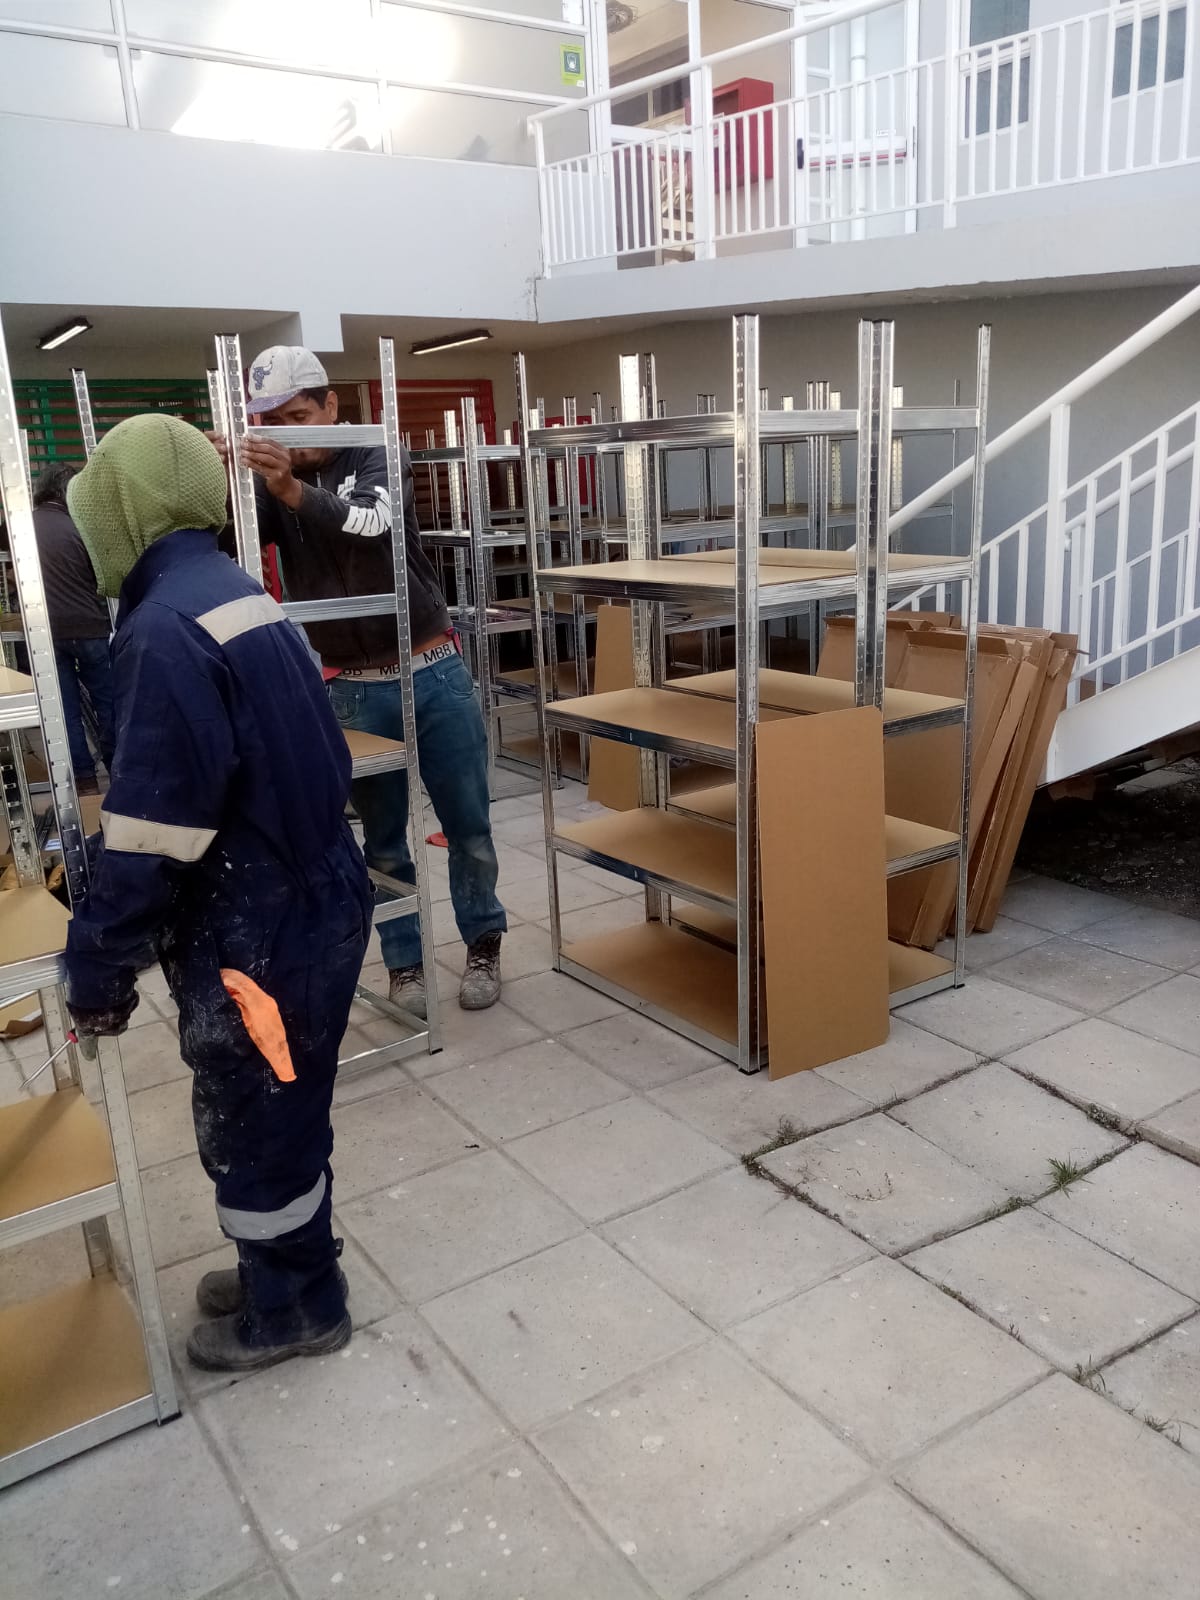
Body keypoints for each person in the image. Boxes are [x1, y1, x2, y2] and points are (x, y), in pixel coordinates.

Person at [63, 413, 372, 1374]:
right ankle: (283, 1266)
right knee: (284, 1104)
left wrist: (96, 963)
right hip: (307, 894)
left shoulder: (163, 628)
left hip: (261, 926)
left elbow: (156, 828)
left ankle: (295, 1308)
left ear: (123, 512)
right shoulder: (229, 588)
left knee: (258, 1117)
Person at [229, 345, 505, 1017]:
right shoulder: (273, 480)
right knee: (381, 841)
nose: (289, 435)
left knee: (468, 826)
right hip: (352, 685)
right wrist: (221, 478)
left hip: (432, 670)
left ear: (332, 406)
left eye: (300, 417)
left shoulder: (375, 452)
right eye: (274, 424)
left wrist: (290, 490)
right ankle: (405, 966)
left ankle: (483, 944)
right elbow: (229, 539)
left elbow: (371, 521)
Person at [31, 461, 115, 795]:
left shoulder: (24, 527)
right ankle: (120, 772)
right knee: (108, 703)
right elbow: (103, 579)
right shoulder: (80, 526)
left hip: (46, 633)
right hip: (90, 627)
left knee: (64, 710)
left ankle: (84, 782)